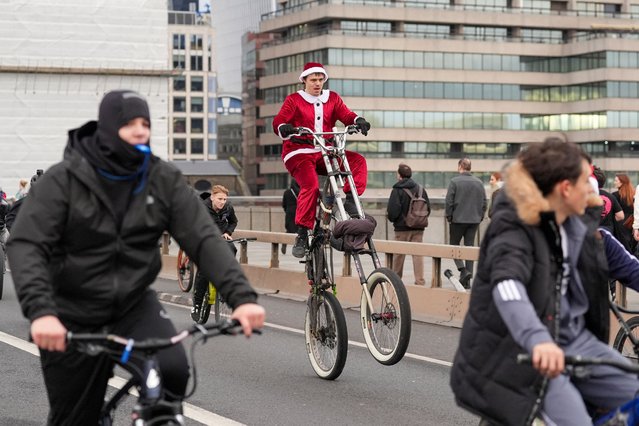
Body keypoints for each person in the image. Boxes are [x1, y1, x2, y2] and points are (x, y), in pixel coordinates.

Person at [7, 90, 265, 425]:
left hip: (133, 304)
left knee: (172, 369)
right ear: (108, 128)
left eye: (145, 123)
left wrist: (242, 297)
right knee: (74, 416)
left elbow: (203, 238)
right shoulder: (63, 179)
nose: (141, 130)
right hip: (70, 309)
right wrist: (41, 313)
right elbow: (27, 243)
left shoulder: (162, 179)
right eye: (130, 123)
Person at [450, 137, 639, 426]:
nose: (593, 191)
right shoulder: (514, 229)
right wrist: (537, 339)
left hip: (578, 345)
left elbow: (631, 269)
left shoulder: (585, 231)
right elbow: (508, 287)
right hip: (524, 353)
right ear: (566, 188)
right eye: (585, 182)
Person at [273, 62, 371, 258]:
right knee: (310, 185)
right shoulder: (294, 100)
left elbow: (346, 114)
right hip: (299, 151)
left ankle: (351, 200)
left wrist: (357, 120)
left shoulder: (332, 98)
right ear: (305, 81)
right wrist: (284, 127)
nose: (317, 84)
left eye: (320, 80)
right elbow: (279, 121)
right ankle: (302, 232)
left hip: (326, 150)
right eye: (313, 80)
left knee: (358, 161)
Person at [191, 184, 239, 320]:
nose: (222, 202)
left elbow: (233, 221)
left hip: (220, 239)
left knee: (231, 250)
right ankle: (197, 304)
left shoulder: (228, 207)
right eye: (219, 199)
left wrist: (227, 232)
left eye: (224, 199)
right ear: (212, 197)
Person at [444, 157, 487, 288]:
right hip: (474, 220)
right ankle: (467, 281)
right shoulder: (479, 183)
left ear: (460, 167)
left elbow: (449, 201)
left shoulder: (454, 182)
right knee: (469, 248)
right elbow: (484, 202)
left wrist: (449, 216)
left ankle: (463, 270)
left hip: (458, 219)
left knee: (454, 245)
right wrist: (480, 216)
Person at [386, 163, 430, 286]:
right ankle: (420, 280)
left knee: (399, 255)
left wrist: (395, 220)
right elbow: (428, 208)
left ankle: (396, 280)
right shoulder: (420, 189)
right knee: (417, 254)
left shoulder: (397, 190)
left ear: (399, 175)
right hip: (418, 228)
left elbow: (393, 211)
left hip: (401, 229)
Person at [592, 166, 623, 234]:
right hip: (607, 232)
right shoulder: (610, 196)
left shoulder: (585, 197)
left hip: (590, 232)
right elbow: (620, 216)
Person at [612, 173, 635, 253]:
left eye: (616, 181)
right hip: (632, 224)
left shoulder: (614, 196)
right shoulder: (634, 194)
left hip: (620, 224)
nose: (614, 182)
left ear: (622, 182)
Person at [281, 178, 300, 255]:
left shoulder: (286, 192)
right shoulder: (300, 192)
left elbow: (283, 204)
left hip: (289, 212)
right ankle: (299, 247)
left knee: (289, 230)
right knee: (300, 229)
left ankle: (284, 244)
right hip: (298, 211)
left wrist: (287, 211)